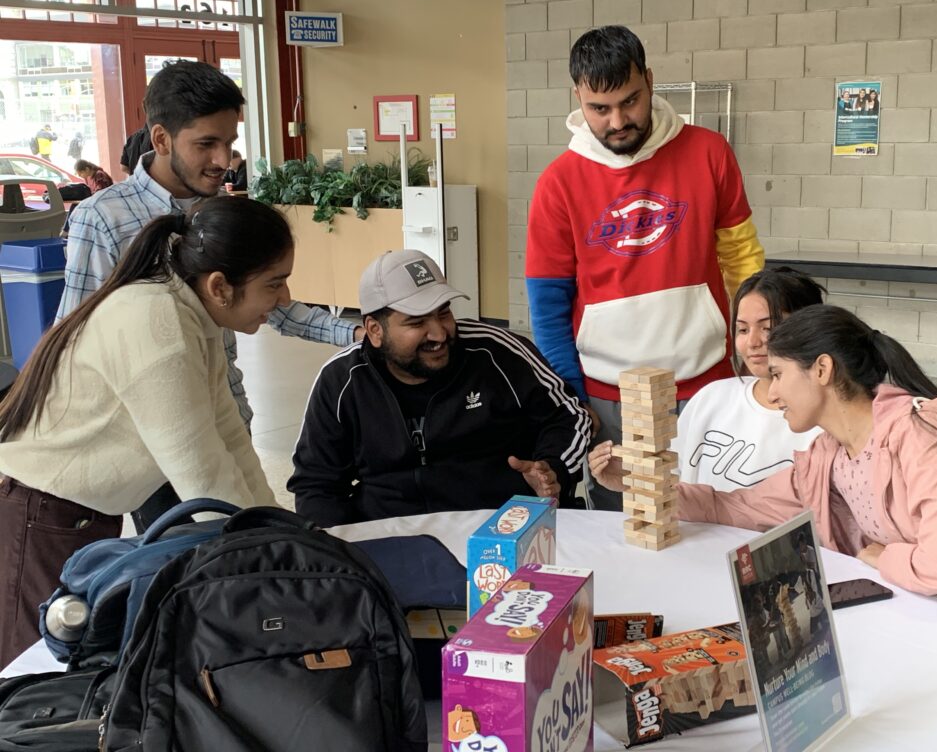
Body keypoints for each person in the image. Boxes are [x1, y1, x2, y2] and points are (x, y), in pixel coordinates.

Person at [60, 59, 363, 528]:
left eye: (229, 143)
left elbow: (273, 303)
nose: (223, 160)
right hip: (155, 436)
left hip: (226, 413)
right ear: (161, 139)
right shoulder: (103, 218)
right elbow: (74, 333)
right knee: (184, 567)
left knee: (238, 543)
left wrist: (356, 331)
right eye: (206, 144)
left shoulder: (222, 210)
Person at [0, 196, 286, 668]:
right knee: (35, 680)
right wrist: (273, 560)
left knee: (82, 664)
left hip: (78, 515)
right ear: (219, 286)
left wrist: (280, 530)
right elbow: (202, 477)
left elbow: (230, 440)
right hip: (39, 514)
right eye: (274, 283)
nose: (285, 299)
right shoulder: (157, 324)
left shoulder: (190, 313)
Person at [672, 304, 937, 639]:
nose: (773, 392)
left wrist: (882, 557)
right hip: (922, 619)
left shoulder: (917, 436)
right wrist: (637, 483)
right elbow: (738, 506)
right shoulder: (829, 455)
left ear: (822, 370)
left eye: (778, 374)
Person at [525, 25, 764, 510]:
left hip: (708, 385)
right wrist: (575, 399)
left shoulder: (709, 152)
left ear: (650, 82)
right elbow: (548, 307)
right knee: (629, 534)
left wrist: (760, 354)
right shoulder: (558, 183)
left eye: (630, 102)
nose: (617, 121)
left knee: (715, 524)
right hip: (609, 400)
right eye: (600, 108)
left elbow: (743, 262)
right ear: (578, 98)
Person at [289, 249, 592, 527]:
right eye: (417, 322)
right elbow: (317, 486)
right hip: (390, 537)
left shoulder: (496, 352)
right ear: (375, 330)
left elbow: (571, 415)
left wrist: (552, 468)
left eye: (443, 312)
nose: (438, 333)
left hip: (504, 527)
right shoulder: (342, 382)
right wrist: (342, 559)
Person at [589, 267, 825, 493]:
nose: (753, 342)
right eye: (742, 330)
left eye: (768, 328)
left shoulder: (821, 424)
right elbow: (674, 483)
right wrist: (633, 479)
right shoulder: (712, 397)